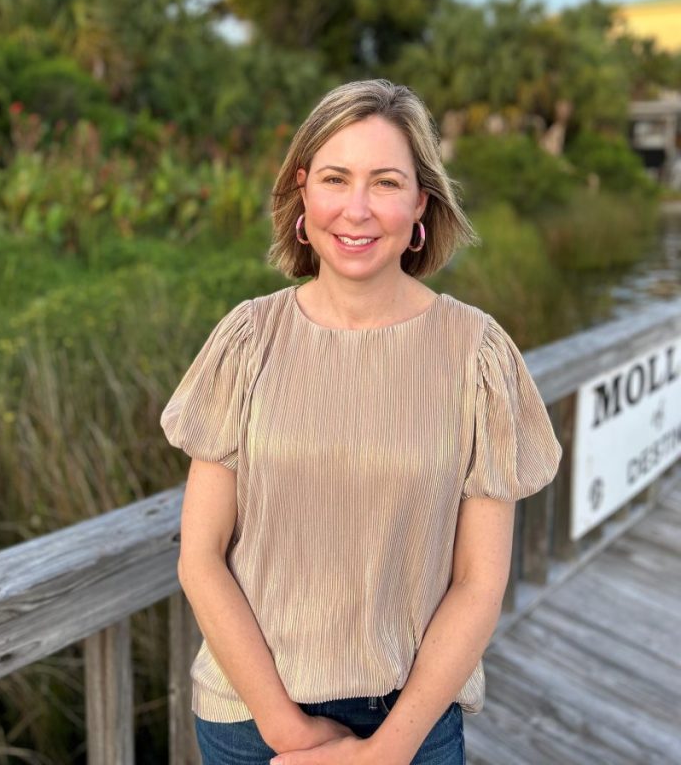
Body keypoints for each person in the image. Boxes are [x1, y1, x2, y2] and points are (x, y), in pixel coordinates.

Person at [160, 79, 563, 765]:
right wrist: (285, 729)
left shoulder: (478, 355)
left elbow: (478, 581)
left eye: (385, 182)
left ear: (420, 206)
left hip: (410, 722)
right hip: (249, 721)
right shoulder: (247, 339)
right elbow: (201, 555)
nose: (356, 208)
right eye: (335, 178)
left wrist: (388, 750)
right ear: (302, 193)